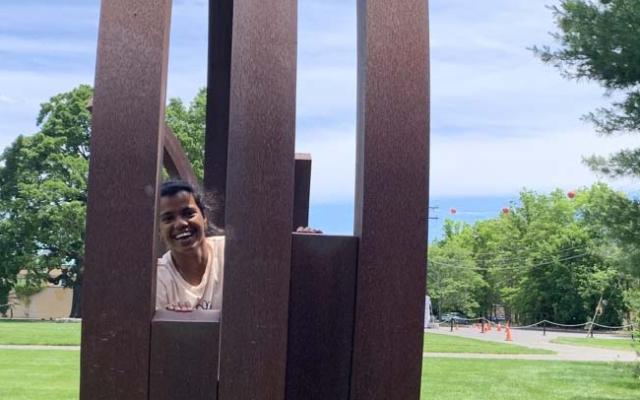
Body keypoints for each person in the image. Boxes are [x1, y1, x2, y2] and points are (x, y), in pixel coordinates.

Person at [156, 180, 224, 312]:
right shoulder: (159, 278)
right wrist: (172, 320)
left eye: (188, 214)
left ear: (205, 219)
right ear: (159, 231)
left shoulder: (230, 253)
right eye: (168, 218)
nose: (180, 224)